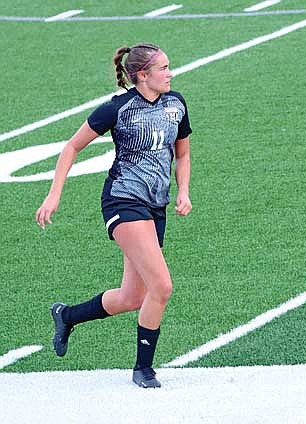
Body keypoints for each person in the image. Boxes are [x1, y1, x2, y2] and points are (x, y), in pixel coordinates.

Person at [35, 42, 192, 388]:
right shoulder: (118, 109)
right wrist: (54, 194)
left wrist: (182, 191)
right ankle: (143, 369)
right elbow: (71, 147)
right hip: (123, 201)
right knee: (162, 286)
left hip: (156, 205)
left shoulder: (176, 104)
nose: (170, 73)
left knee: (132, 297)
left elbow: (182, 153)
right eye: (163, 68)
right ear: (142, 75)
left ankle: (66, 315)